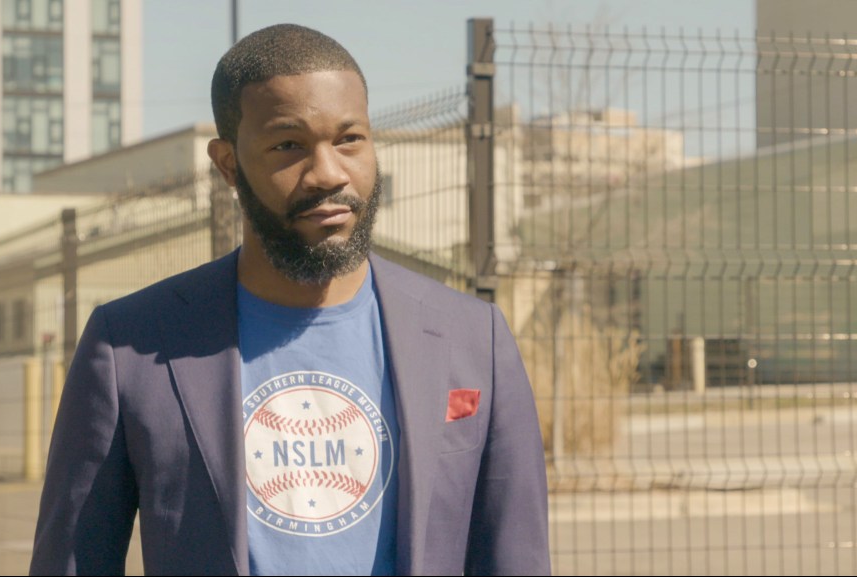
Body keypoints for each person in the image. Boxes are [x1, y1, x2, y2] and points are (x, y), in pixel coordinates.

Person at [30, 23, 549, 576]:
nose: (328, 173)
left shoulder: (473, 337)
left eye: (350, 139)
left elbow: (516, 557)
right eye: (288, 146)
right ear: (228, 164)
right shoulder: (131, 346)